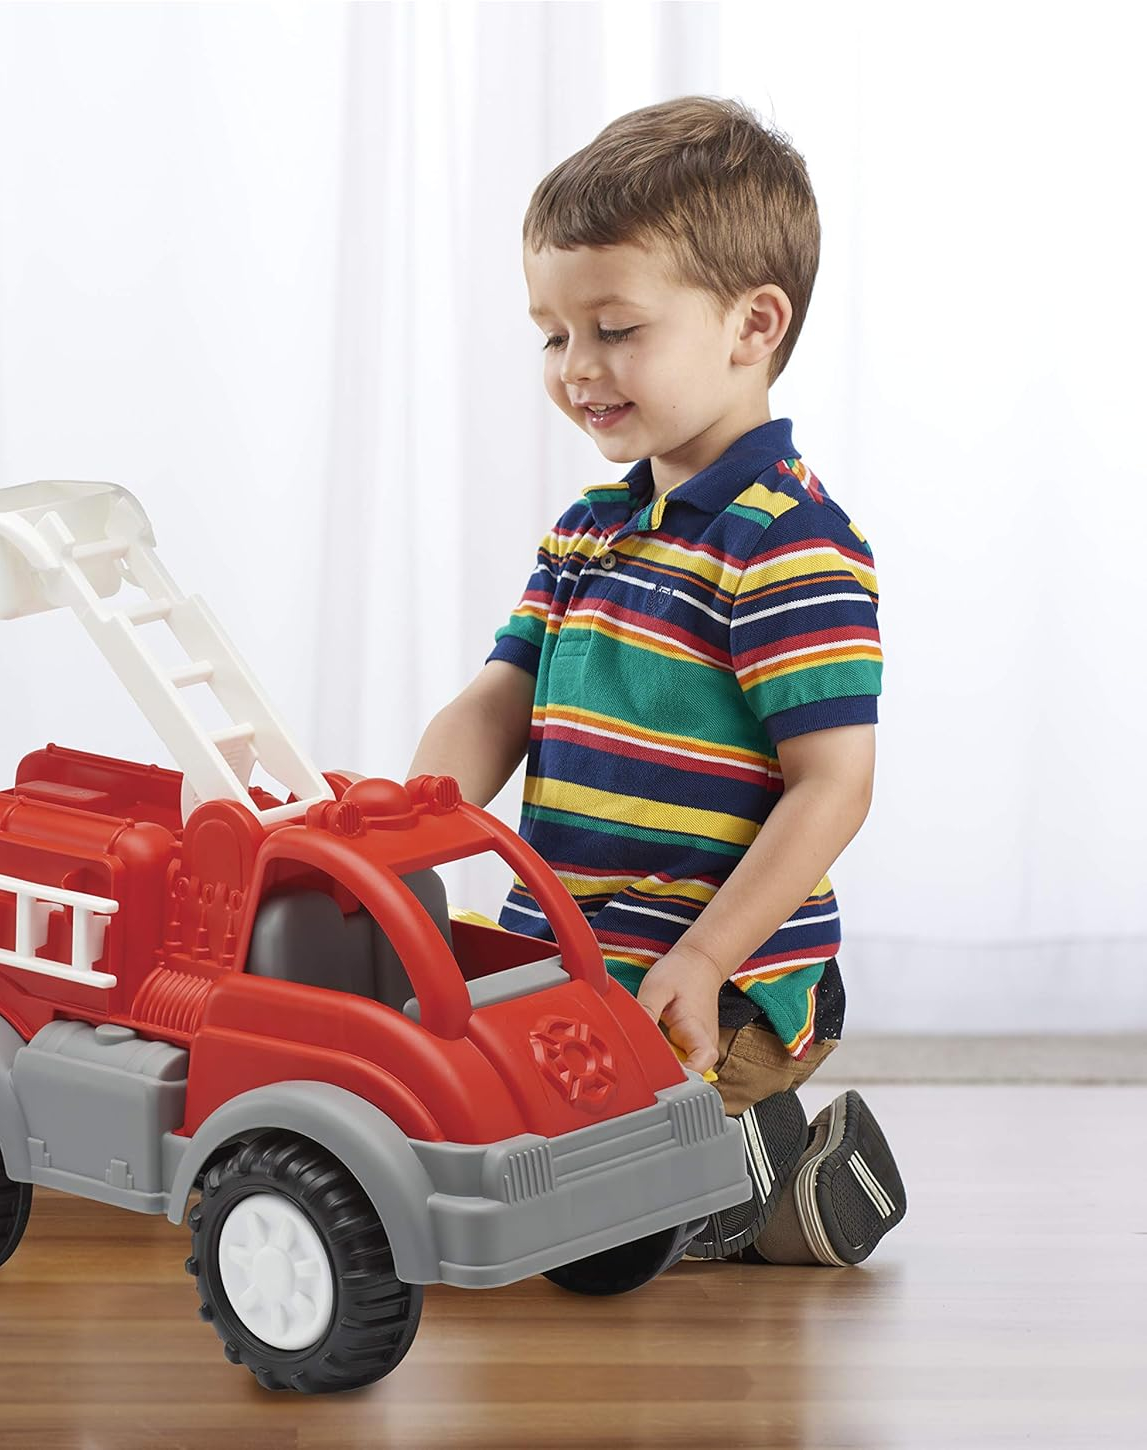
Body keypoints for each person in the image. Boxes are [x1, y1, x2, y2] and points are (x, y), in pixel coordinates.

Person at [407, 96, 905, 1266]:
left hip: (715, 983)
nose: (577, 368)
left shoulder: (788, 544)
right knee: (461, 1117)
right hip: (575, 963)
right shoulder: (591, 528)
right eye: (553, 335)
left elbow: (833, 784)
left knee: (581, 1233)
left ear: (753, 324)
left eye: (616, 328)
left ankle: (779, 1178)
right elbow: (497, 696)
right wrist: (409, 818)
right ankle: (717, 1166)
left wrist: (707, 957)